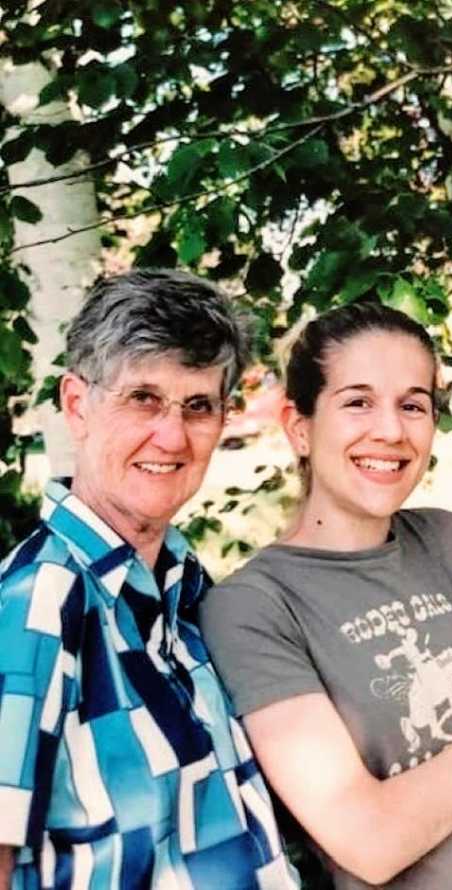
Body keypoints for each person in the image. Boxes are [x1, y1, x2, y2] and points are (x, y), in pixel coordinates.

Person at [198, 302, 452, 890]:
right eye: (357, 402)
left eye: (412, 405)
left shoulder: (448, 538)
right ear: (299, 426)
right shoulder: (253, 607)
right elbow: (368, 842)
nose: (390, 430)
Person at [0, 270, 298, 890]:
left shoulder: (187, 593)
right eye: (143, 399)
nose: (172, 436)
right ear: (78, 405)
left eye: (198, 407)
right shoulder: (38, 602)